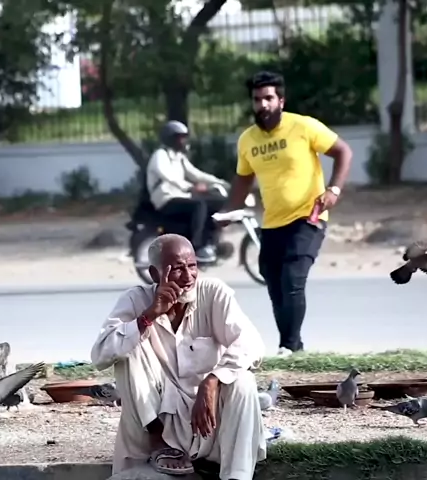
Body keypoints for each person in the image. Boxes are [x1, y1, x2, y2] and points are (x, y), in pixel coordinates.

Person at [90, 233, 267, 479]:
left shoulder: (213, 293)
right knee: (129, 346)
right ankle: (158, 442)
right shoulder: (136, 299)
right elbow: (100, 355)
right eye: (177, 269)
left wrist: (212, 380)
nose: (188, 277)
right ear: (155, 274)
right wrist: (148, 316)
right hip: (160, 420)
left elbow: (252, 344)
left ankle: (236, 476)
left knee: (244, 380)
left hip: (208, 420)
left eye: (192, 266)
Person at [220, 71, 353, 357]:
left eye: (269, 98)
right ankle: (294, 347)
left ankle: (288, 346)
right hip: (272, 223)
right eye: (257, 99)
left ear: (281, 101)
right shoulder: (247, 140)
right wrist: (227, 212)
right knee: (274, 281)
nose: (263, 105)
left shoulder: (303, 126)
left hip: (308, 216)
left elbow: (343, 152)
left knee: (292, 278)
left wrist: (334, 190)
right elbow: (243, 179)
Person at [146, 120, 229, 263]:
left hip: (181, 195)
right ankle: (196, 247)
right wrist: (190, 187)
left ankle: (209, 242)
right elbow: (168, 176)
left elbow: (196, 174)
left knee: (216, 202)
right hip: (165, 199)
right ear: (171, 138)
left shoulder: (178, 157)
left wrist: (221, 183)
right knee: (199, 205)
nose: (184, 141)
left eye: (184, 137)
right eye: (180, 137)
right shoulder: (160, 155)